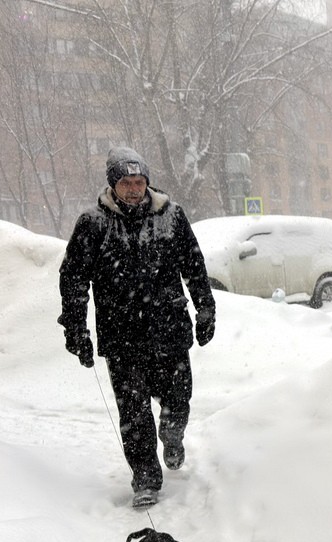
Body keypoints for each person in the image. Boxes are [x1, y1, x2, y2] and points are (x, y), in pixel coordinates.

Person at [58, 147, 216, 508]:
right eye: (126, 183)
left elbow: (194, 264)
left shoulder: (170, 216)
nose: (134, 189)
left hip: (169, 330)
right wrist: (76, 329)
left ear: (148, 182)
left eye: (139, 181)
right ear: (113, 184)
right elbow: (73, 280)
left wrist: (206, 308)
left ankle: (173, 434)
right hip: (121, 337)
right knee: (134, 413)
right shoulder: (93, 223)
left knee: (178, 400)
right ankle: (145, 477)